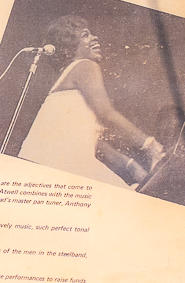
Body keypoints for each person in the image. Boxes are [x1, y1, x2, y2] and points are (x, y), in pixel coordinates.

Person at [17, 16, 165, 189]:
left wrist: (133, 167)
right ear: (69, 45)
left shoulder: (66, 79)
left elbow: (99, 145)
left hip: (40, 162)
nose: (95, 37)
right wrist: (150, 145)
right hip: (61, 162)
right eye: (85, 35)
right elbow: (107, 113)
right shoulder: (85, 66)